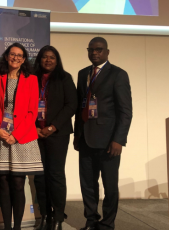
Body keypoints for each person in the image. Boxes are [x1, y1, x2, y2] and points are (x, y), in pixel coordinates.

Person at [74, 37, 132, 230]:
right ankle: (91, 222)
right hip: (85, 140)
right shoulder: (83, 74)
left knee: (109, 186)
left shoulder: (118, 74)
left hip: (109, 142)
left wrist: (119, 140)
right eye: (91, 50)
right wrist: (77, 137)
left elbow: (125, 111)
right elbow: (80, 107)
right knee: (88, 186)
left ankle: (107, 224)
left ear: (107, 52)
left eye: (99, 50)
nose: (94, 53)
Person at [0, 43, 43, 230]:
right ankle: (6, 226)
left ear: (24, 59)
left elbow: (32, 112)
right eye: (12, 54)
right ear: (6, 56)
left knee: (18, 184)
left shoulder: (32, 80)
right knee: (3, 184)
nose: (16, 58)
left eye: (20, 55)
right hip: (0, 136)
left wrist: (16, 135)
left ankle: (18, 227)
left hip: (22, 138)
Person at [32, 45, 78, 230]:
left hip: (58, 134)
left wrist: (52, 127)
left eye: (52, 57)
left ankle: (58, 217)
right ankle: (44, 215)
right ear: (40, 59)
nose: (48, 60)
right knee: (39, 177)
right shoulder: (31, 78)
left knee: (56, 175)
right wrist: (33, 127)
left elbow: (71, 105)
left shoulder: (65, 78)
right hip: (35, 134)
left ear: (57, 60)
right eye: (44, 57)